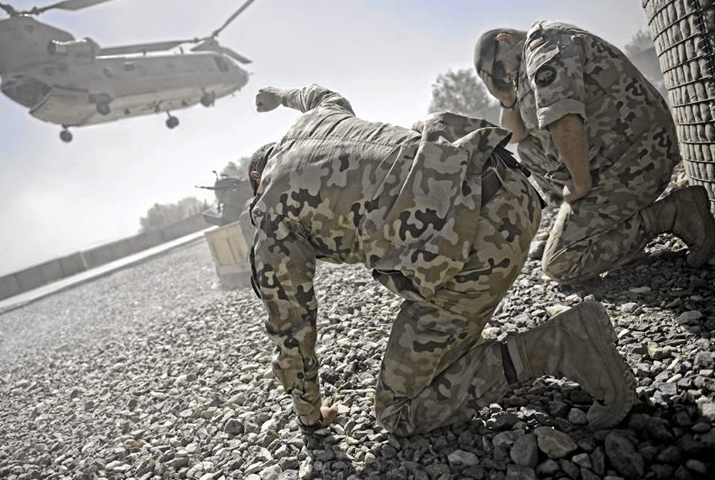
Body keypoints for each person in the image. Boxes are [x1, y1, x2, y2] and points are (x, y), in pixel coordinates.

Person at [248, 83, 636, 436]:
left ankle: (561, 344)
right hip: (511, 187)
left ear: (256, 178)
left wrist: (309, 414)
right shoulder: (322, 117)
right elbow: (313, 92)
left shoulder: (270, 209)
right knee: (429, 308)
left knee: (396, 411)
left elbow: (291, 329)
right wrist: (277, 95)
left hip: (476, 244)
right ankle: (466, 345)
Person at [474, 20, 715, 285]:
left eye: (498, 68)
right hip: (613, 153)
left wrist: (580, 184)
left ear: (505, 39)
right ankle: (598, 225)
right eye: (495, 77)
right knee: (529, 149)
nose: (502, 76)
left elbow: (563, 119)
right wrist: (505, 98)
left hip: (639, 155)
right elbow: (514, 137)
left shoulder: (543, 49)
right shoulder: (522, 69)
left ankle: (672, 212)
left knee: (560, 264)